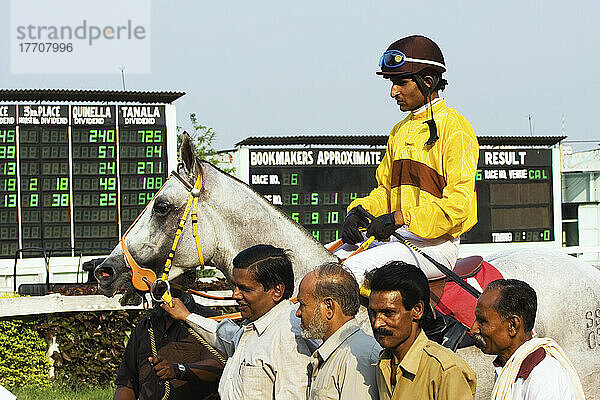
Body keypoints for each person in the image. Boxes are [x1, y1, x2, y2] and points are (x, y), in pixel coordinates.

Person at [338, 34, 479, 283]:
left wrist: (400, 218)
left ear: (427, 81)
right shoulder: (399, 130)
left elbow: (459, 206)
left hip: (436, 245)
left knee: (352, 270)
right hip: (400, 239)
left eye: (401, 83)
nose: (393, 92)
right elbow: (385, 191)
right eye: (392, 83)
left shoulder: (456, 128)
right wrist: (359, 212)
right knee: (326, 264)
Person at [162, 244, 317, 400]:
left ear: (277, 291)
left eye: (245, 289)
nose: (235, 294)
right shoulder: (256, 325)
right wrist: (187, 316)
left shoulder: (291, 337)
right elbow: (226, 336)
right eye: (235, 286)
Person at [368, 261, 476, 400]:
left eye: (388, 313)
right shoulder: (384, 363)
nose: (377, 323)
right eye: (373, 313)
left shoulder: (446, 370)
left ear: (417, 310)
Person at [114, 271, 224, 400]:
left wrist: (177, 370)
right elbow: (127, 383)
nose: (159, 284)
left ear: (190, 279)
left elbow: (218, 367)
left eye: (168, 276)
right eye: (156, 276)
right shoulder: (144, 327)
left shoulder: (208, 321)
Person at [471, 279, 585, 399]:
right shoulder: (509, 368)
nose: (473, 329)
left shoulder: (543, 375)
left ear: (513, 325)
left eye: (483, 321)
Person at [296, 262, 381, 399]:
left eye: (302, 304)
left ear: (329, 307)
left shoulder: (359, 357)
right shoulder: (335, 353)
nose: (298, 313)